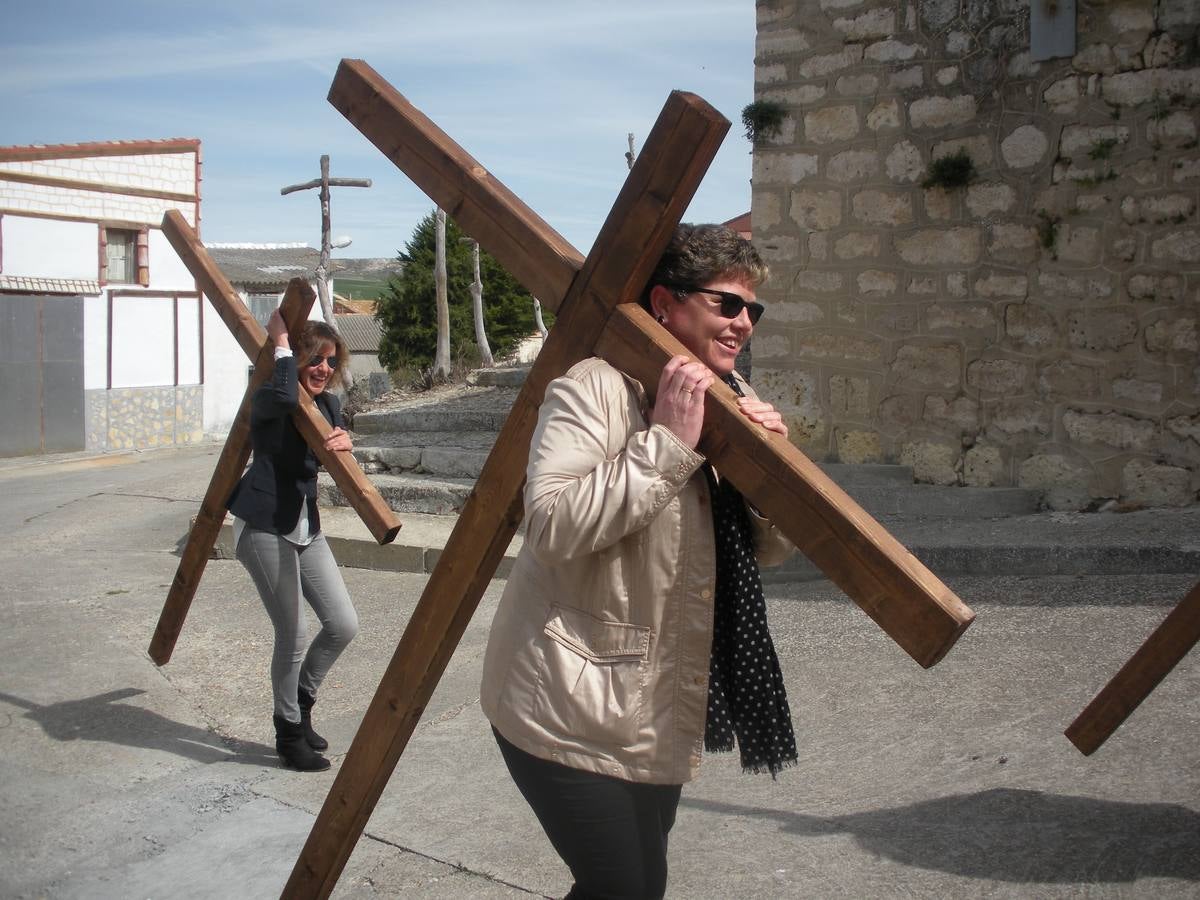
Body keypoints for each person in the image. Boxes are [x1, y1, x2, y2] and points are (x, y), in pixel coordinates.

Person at [480, 223, 798, 899]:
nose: (745, 323)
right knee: (630, 888)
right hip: (567, 701)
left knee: (619, 886)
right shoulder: (592, 387)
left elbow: (766, 552)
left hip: (654, 703)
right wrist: (664, 446)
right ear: (664, 302)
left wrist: (770, 469)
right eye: (727, 304)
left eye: (753, 310)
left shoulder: (726, 398)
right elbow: (551, 525)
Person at [227, 309, 359, 772]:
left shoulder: (328, 407)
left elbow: (322, 452)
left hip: (305, 524)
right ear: (295, 359)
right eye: (314, 359)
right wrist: (281, 339)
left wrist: (341, 441)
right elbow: (285, 395)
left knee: (343, 623)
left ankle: (301, 704)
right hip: (263, 523)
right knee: (293, 633)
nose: (324, 368)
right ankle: (287, 734)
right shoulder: (267, 395)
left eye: (330, 360)